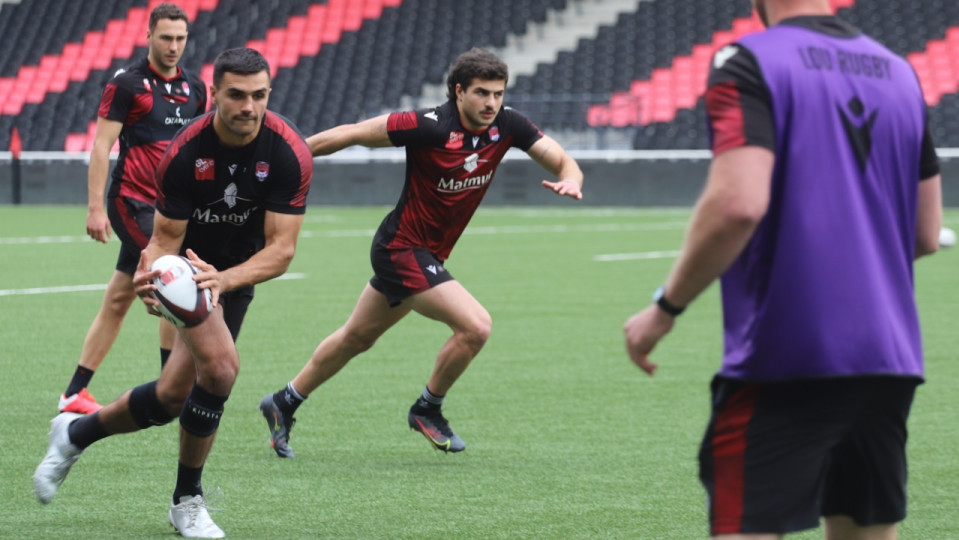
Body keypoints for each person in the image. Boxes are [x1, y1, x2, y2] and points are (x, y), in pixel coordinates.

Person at [623, 1, 942, 539]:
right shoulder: (899, 70)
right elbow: (926, 234)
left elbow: (737, 206)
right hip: (889, 356)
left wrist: (665, 307)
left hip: (790, 353)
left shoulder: (747, 60)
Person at [34, 47, 313, 539]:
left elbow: (282, 251)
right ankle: (187, 500)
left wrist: (225, 280)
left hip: (237, 274)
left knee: (169, 398)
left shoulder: (288, 151)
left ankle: (74, 433)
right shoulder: (184, 152)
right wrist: (155, 279)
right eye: (236, 95)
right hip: (188, 272)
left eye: (259, 95)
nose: (248, 106)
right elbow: (164, 240)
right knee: (222, 368)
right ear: (215, 94)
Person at [258, 47, 584, 458]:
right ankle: (427, 408)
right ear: (459, 91)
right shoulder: (429, 125)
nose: (491, 103)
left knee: (355, 338)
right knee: (476, 327)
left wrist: (569, 179)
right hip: (400, 249)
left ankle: (284, 401)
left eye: (498, 94)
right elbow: (352, 133)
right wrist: (288, 158)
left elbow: (560, 158)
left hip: (426, 253)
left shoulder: (509, 126)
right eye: (482, 93)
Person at [59, 2, 206, 415]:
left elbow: (195, 152)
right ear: (149, 36)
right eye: (166, 37)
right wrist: (95, 209)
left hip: (170, 210)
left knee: (119, 298)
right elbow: (102, 146)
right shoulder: (127, 84)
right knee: (174, 276)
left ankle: (74, 392)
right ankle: (171, 387)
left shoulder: (196, 89)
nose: (173, 46)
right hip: (131, 202)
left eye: (180, 38)